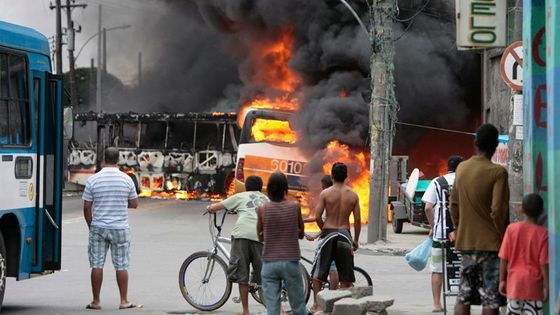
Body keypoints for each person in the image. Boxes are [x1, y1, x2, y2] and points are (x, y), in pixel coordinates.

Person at [450, 124, 510, 315]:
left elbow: (454, 205)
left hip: (467, 243)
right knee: (490, 298)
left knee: (464, 296)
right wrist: (504, 237)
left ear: (475, 143)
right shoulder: (498, 173)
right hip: (491, 245)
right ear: (495, 146)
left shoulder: (461, 168)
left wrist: (460, 228)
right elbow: (498, 211)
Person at [82, 147, 140, 310]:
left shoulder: (93, 180)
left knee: (97, 264)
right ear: (118, 160)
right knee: (121, 265)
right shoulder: (126, 179)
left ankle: (96, 301)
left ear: (103, 159)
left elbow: (87, 207)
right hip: (120, 227)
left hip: (98, 227)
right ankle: (123, 301)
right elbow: (134, 204)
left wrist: (91, 225)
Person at [206, 175, 268, 315]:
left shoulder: (240, 196)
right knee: (264, 276)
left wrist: (209, 208)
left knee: (242, 275)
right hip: (261, 237)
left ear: (246, 187)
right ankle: (273, 308)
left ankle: (245, 311)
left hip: (242, 236)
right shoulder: (266, 199)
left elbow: (218, 206)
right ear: (260, 187)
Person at [309, 162, 361, 314]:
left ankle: (317, 305)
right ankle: (343, 306)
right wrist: (356, 240)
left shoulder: (325, 193)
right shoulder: (353, 195)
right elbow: (357, 220)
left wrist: (323, 229)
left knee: (318, 273)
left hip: (328, 232)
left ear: (331, 176)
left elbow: (317, 216)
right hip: (344, 234)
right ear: (346, 177)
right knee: (346, 274)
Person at [257, 172, 306, 315]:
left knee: (272, 307)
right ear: (286, 189)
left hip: (269, 264)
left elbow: (260, 237)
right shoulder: (295, 206)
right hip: (290, 262)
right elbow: (301, 233)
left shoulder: (262, 208)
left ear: (269, 189)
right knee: (298, 305)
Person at [422, 155, 463, 312]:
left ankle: (437, 304)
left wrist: (434, 226)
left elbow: (427, 207)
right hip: (463, 235)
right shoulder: (465, 182)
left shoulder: (437, 182)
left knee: (437, 268)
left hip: (441, 234)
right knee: (461, 267)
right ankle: (460, 302)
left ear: (448, 167)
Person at [498, 193, 549, 315]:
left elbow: (503, 258)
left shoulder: (511, 229)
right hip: (534, 286)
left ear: (521, 209)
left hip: (515, 284)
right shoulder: (543, 233)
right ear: (541, 211)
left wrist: (501, 280)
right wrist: (547, 286)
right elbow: (543, 263)